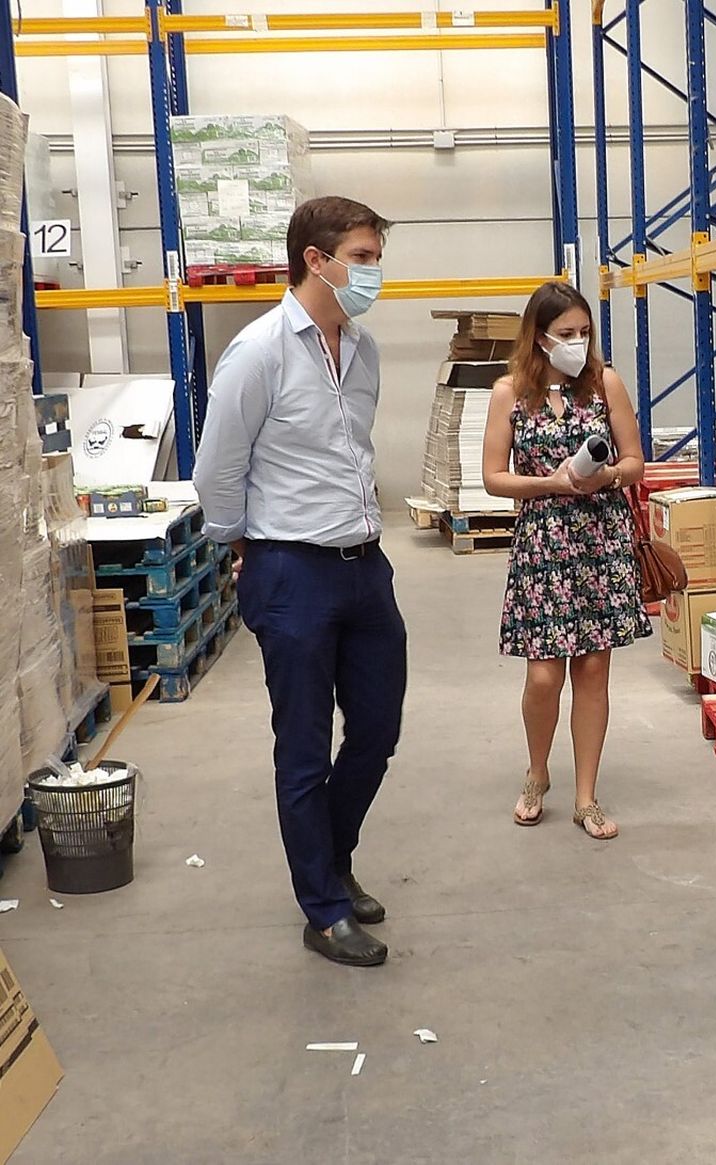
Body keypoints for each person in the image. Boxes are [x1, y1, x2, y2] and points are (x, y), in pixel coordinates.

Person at [194, 196, 405, 968]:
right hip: (291, 571)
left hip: (364, 568)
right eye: (363, 256)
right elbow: (217, 469)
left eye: (377, 255)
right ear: (317, 260)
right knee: (304, 747)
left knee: (378, 730)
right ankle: (321, 907)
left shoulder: (366, 350)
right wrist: (243, 545)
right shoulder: (257, 353)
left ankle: (332, 855)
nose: (373, 271)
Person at [482, 283, 649, 842]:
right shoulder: (510, 392)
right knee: (543, 675)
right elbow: (493, 477)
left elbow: (635, 461)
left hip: (600, 541)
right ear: (539, 336)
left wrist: (607, 477)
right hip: (543, 545)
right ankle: (537, 773)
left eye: (584, 333)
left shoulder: (604, 385)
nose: (577, 344)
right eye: (566, 335)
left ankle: (585, 795)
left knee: (594, 670)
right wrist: (549, 483)